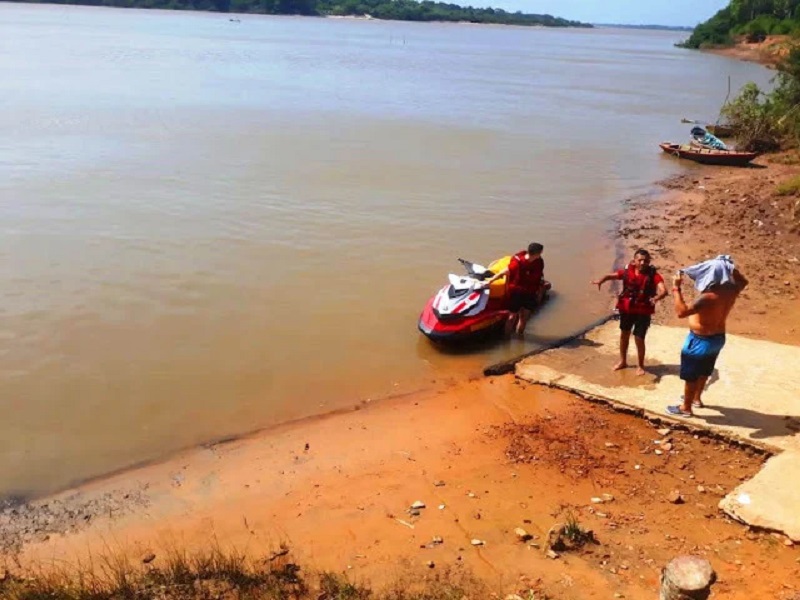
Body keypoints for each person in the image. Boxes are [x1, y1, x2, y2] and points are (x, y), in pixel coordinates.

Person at [667, 255, 748, 417]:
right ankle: (696, 398)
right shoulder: (732, 290)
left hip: (700, 340)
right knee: (705, 370)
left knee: (691, 375)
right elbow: (744, 282)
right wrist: (730, 268)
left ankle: (686, 408)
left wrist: (676, 288)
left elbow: (681, 312)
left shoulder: (708, 297)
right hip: (717, 338)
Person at [591, 249, 668, 375]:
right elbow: (611, 276)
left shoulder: (654, 275)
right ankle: (623, 361)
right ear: (634, 261)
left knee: (639, 338)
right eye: (640, 260)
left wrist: (657, 298)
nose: (643, 263)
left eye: (646, 261)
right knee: (624, 335)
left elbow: (664, 290)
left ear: (649, 262)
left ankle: (641, 365)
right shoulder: (627, 272)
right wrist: (601, 280)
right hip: (627, 310)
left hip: (643, 311)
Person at [480, 242, 545, 337]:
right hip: (517, 292)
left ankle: (519, 337)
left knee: (524, 318)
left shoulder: (539, 262)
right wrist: (490, 281)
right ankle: (507, 339)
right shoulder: (518, 262)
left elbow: (539, 275)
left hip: (530, 292)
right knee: (512, 317)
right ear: (538, 253)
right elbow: (505, 271)